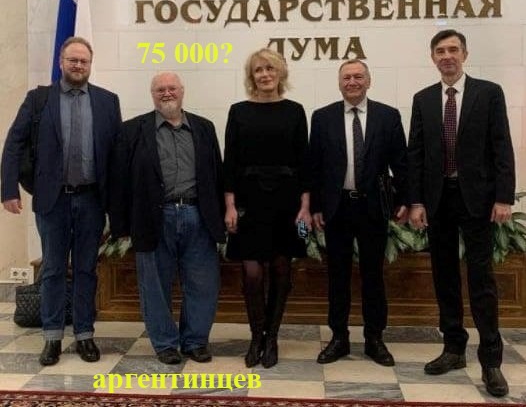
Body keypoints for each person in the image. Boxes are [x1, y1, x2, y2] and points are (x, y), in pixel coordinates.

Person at [1, 37, 122, 366]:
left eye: (84, 61)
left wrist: (118, 204)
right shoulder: (39, 99)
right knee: (53, 269)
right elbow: (14, 143)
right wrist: (8, 189)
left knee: (86, 269)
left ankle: (84, 334)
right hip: (53, 201)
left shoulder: (108, 101)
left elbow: (116, 154)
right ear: (61, 62)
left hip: (92, 201)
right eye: (73, 60)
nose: (78, 66)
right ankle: (52, 336)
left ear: (90, 64)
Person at [407, 29, 515, 397]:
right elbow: (416, 154)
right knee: (445, 276)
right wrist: (416, 201)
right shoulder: (423, 99)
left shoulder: (489, 93)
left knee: (481, 280)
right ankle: (453, 348)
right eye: (440, 51)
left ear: (465, 54)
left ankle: (491, 361)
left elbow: (501, 145)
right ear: (433, 58)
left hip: (478, 200)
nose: (447, 56)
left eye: (453, 49)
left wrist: (504, 197)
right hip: (438, 200)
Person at [109, 72, 224, 365]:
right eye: (160, 89)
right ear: (152, 94)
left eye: (172, 88)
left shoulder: (204, 127)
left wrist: (222, 217)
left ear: (182, 91)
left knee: (202, 283)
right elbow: (119, 180)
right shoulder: (132, 130)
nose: (167, 93)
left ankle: (195, 341)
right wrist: (121, 227)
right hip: (153, 218)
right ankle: (165, 344)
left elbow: (217, 175)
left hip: (199, 216)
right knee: (155, 285)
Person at [310, 59, 408, 367]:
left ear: (368, 81)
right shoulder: (322, 117)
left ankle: (374, 339)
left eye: (358, 77)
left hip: (373, 207)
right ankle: (338, 338)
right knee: (337, 276)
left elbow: (401, 162)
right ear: (339, 83)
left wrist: (405, 200)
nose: (352, 82)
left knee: (373, 275)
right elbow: (314, 166)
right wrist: (315, 206)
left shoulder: (387, 116)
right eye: (346, 78)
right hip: (337, 207)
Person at [223, 48, 311, 369]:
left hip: (287, 200)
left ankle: (272, 337)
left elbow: (304, 161)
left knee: (280, 269)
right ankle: (256, 336)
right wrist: (229, 206)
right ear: (252, 76)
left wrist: (305, 207)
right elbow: (230, 162)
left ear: (280, 73)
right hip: (249, 201)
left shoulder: (295, 111)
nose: (265, 75)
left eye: (270, 69)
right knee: (252, 273)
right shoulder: (238, 111)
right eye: (258, 70)